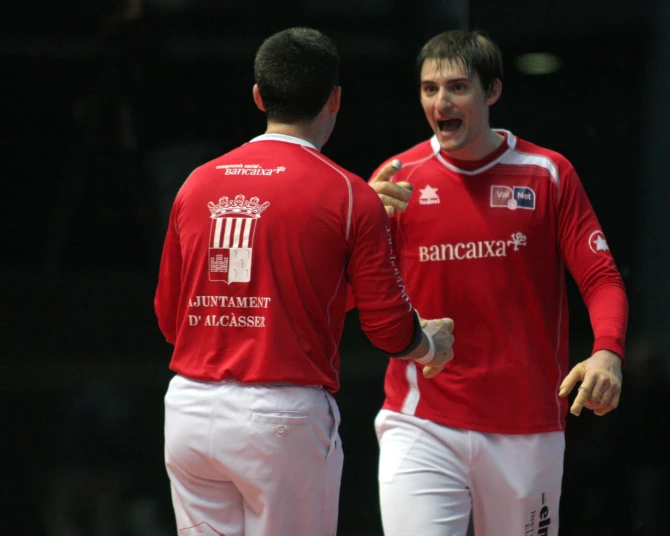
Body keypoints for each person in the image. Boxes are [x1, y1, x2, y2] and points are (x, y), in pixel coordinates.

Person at [153, 27, 455, 536]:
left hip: (188, 410)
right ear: (335, 99)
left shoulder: (197, 182)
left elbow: (170, 319)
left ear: (258, 97)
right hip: (280, 419)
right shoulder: (348, 193)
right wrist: (429, 345)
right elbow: (388, 330)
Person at [359, 29, 629, 536]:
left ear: (493, 91)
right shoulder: (396, 180)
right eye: (429, 89)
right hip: (421, 422)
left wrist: (607, 351)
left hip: (526, 427)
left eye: (458, 87)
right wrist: (360, 227)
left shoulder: (547, 173)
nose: (442, 102)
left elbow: (600, 277)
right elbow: (353, 296)